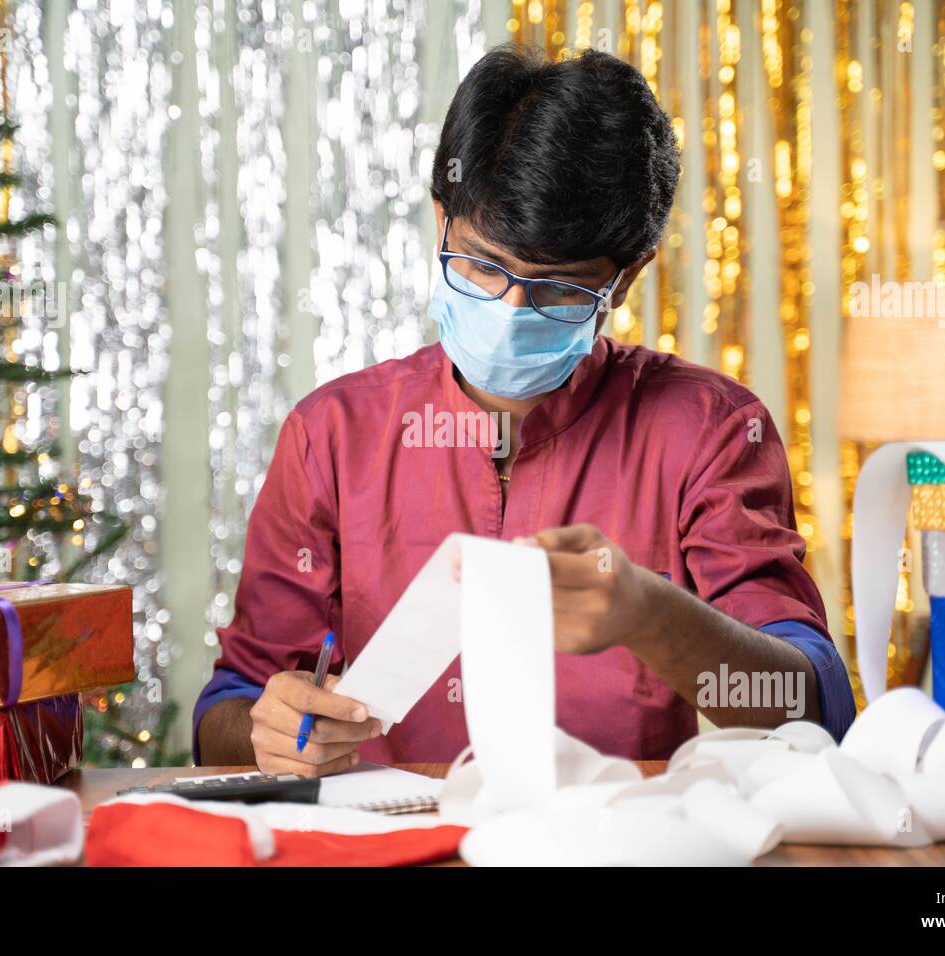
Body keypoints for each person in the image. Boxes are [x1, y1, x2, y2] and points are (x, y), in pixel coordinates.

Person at [195, 44, 854, 775]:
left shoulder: (708, 431)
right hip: (389, 845)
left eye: (559, 289)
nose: (510, 311)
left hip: (612, 845)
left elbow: (812, 706)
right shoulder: (332, 436)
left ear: (627, 278)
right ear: (441, 222)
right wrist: (269, 726)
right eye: (479, 265)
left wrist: (649, 611)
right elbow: (228, 709)